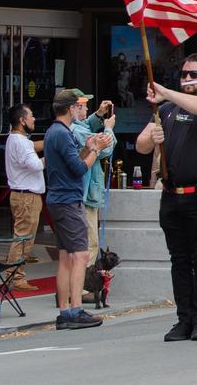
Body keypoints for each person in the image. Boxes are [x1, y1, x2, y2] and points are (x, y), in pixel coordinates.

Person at [136, 54, 197, 342]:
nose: (188, 79)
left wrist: (166, 92)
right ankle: (184, 319)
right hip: (172, 195)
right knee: (179, 259)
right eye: (185, 74)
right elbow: (141, 145)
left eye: (195, 74)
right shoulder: (165, 110)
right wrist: (154, 138)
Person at [45, 88, 113, 330]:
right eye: (79, 106)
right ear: (71, 108)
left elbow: (73, 160)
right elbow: (78, 168)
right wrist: (95, 149)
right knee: (80, 255)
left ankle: (66, 311)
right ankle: (74, 309)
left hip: (59, 198)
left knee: (65, 257)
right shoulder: (61, 134)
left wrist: (89, 146)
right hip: (67, 200)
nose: (81, 110)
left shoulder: (57, 132)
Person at [68, 99, 116, 267]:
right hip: (85, 194)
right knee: (90, 244)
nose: (88, 108)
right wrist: (108, 128)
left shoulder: (77, 126)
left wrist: (99, 114)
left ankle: (79, 286)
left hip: (86, 192)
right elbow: (106, 149)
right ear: (74, 108)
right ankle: (82, 285)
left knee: (85, 244)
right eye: (84, 106)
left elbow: (87, 124)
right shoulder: (76, 130)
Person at [4, 103, 45, 293]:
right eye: (31, 115)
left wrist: (50, 141)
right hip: (27, 197)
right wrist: (53, 154)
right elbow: (36, 165)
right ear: (22, 121)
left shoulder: (17, 139)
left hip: (23, 196)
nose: (34, 118)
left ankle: (14, 274)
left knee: (22, 237)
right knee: (23, 239)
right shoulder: (20, 142)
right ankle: (15, 277)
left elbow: (32, 146)